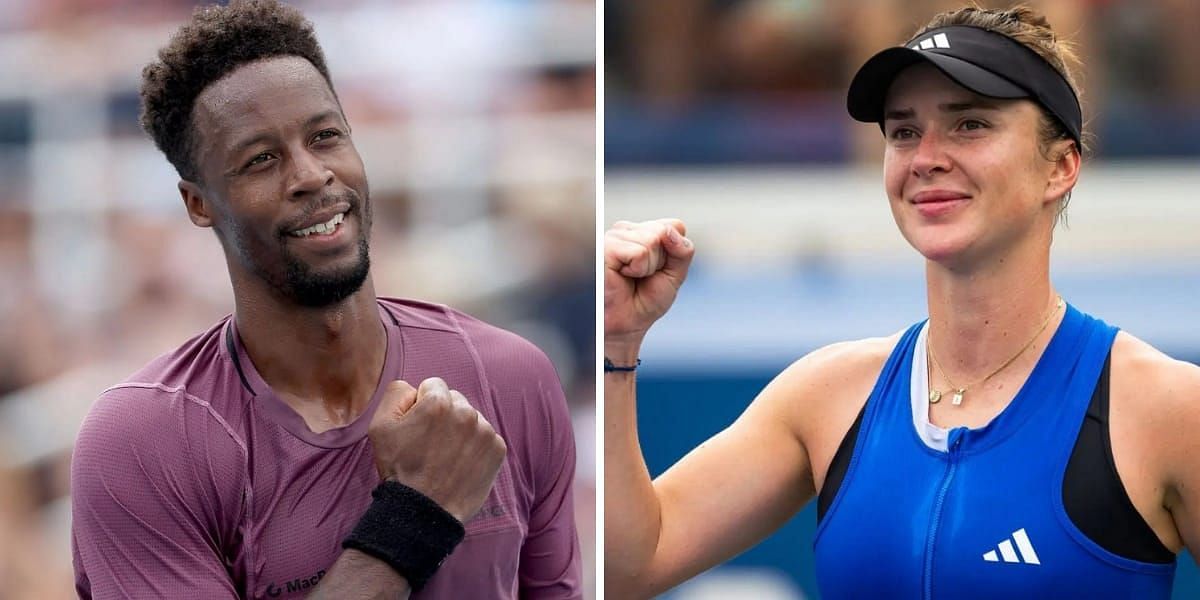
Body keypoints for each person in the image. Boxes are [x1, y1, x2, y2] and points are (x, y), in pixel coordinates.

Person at [604, 5, 1200, 598]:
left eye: (970, 124)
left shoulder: (1164, 408)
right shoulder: (825, 396)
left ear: (1061, 166)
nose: (926, 157)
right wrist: (617, 345)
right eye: (904, 130)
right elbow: (631, 566)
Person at [70, 1, 582, 598]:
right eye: (261, 159)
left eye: (326, 136)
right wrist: (413, 516)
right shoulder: (140, 443)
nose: (311, 175)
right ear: (198, 203)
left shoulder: (514, 376)